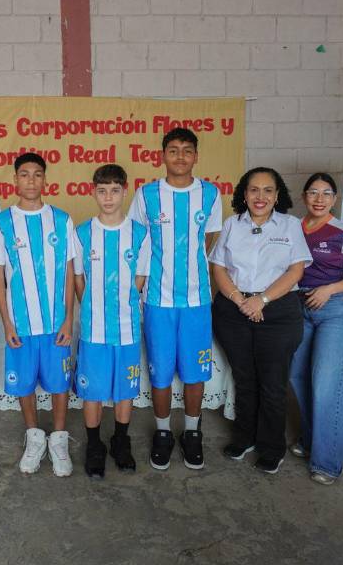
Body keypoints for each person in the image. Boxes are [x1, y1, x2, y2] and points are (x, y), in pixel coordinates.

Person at [129, 127, 222, 471]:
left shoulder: (211, 194)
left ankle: (193, 433)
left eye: (187, 150)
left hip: (197, 301)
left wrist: (189, 264)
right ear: (162, 155)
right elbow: (138, 241)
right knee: (161, 372)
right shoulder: (147, 194)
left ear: (196, 156)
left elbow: (210, 237)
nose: (180, 156)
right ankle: (164, 432)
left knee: (196, 372)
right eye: (173, 150)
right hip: (158, 300)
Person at [209, 167, 312, 474]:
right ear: (244, 193)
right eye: (254, 190)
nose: (261, 196)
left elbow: (296, 271)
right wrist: (241, 300)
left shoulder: (290, 225)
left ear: (277, 196)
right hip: (233, 309)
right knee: (244, 378)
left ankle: (271, 446)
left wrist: (261, 299)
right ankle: (245, 438)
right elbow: (219, 268)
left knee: (272, 382)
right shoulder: (231, 225)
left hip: (278, 311)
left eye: (268, 190)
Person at [0, 152, 76, 477]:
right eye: (24, 174)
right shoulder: (2, 223)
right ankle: (34, 437)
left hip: (55, 324)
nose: (31, 181)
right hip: (21, 325)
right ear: (15, 179)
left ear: (45, 179)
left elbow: (69, 270)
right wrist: (6, 321)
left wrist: (68, 318)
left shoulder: (62, 220)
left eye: (37, 174)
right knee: (24, 385)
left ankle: (59, 439)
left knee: (59, 383)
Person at [289, 173, 343, 485]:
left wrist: (330, 289)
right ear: (305, 197)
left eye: (326, 193)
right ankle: (310, 440)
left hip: (334, 311)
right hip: (300, 308)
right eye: (313, 192)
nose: (319, 199)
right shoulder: (293, 228)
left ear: (334, 199)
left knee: (326, 384)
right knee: (298, 378)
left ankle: (326, 462)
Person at [73, 164, 150, 478]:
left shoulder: (140, 234)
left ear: (125, 190)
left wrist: (121, 304)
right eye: (102, 190)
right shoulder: (81, 233)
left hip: (128, 328)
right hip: (94, 328)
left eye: (114, 190)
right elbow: (78, 279)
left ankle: (121, 440)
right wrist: (93, 307)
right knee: (92, 391)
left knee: (124, 389)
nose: (108, 197)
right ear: (93, 191)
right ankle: (94, 444)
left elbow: (141, 279)